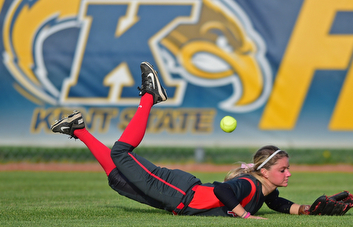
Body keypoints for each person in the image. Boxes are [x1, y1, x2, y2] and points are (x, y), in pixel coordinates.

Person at [51, 62, 313, 218]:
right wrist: (245, 216)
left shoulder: (266, 191)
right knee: (121, 152)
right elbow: (224, 190)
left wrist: (306, 210)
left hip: (175, 199)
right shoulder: (249, 185)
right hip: (179, 191)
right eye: (283, 169)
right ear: (264, 171)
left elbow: (278, 203)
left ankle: (78, 129)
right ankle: (150, 97)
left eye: (287, 168)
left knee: (118, 179)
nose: (288, 172)